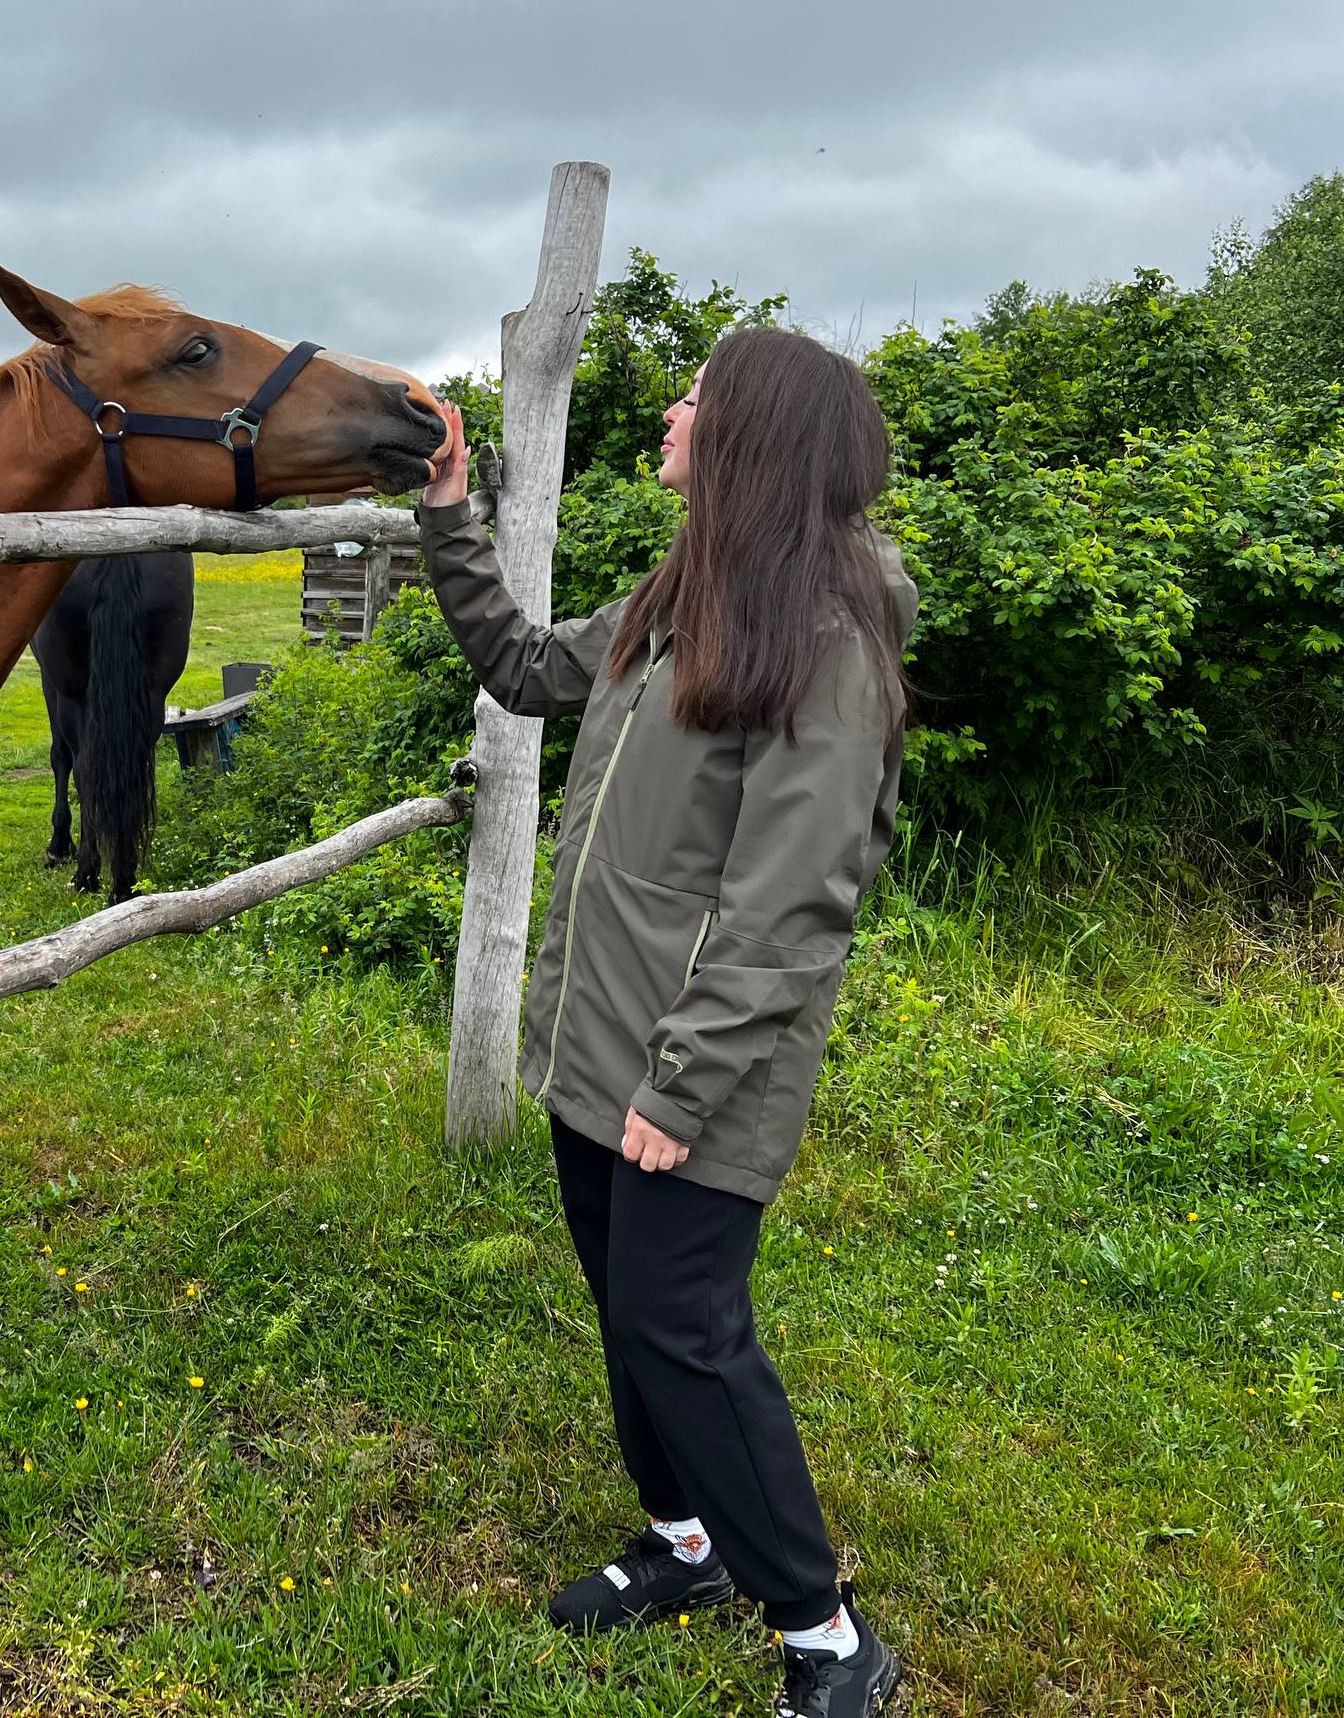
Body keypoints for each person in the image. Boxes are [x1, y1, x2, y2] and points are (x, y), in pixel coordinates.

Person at [420, 326, 913, 1718]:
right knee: (630, 1314)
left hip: (697, 1071)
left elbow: (790, 904)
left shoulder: (827, 639)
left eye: (698, 392)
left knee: (685, 1328)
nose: (673, 406)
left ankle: (826, 1637)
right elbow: (524, 667)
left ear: (754, 436)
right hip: (601, 1048)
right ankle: (689, 1544)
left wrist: (681, 1086)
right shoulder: (681, 595)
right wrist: (453, 514)